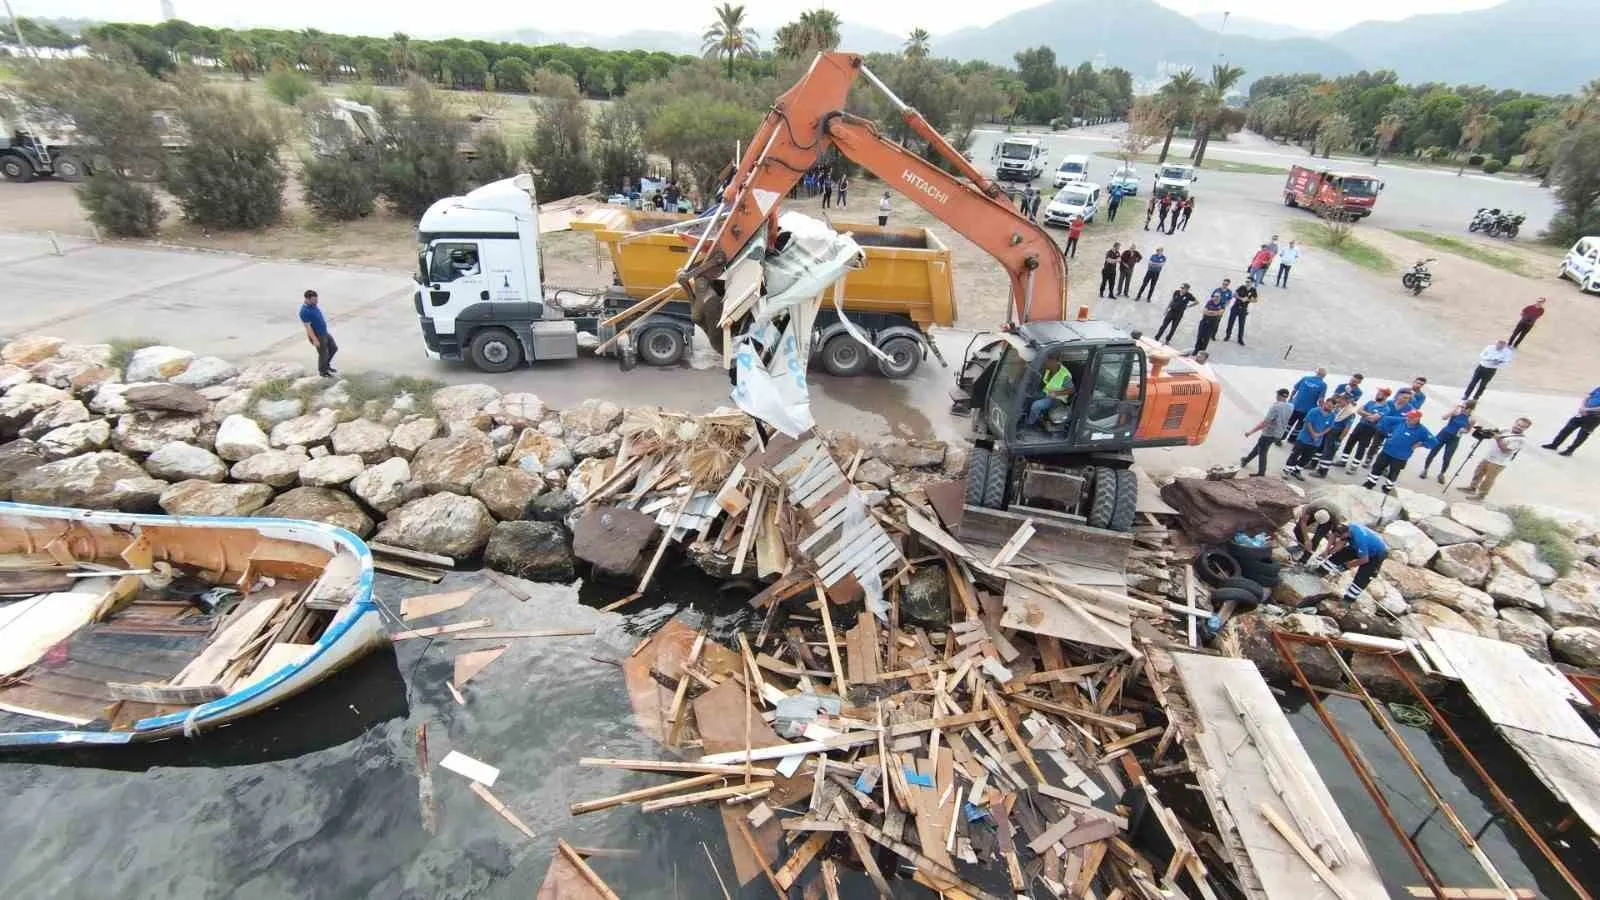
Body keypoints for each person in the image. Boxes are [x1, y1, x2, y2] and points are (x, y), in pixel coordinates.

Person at [1364, 408, 1437, 493]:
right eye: (1408, 416)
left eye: (1411, 417)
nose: (1408, 419)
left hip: (1401, 456)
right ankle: (1370, 483)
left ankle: (1387, 488)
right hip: (1387, 451)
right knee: (1377, 467)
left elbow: (1434, 442)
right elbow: (1386, 419)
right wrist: (1387, 432)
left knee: (1393, 473)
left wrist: (1421, 444)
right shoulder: (1401, 420)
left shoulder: (1422, 430)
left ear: (1417, 419)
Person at [1460, 417, 1531, 500]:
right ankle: (1472, 487)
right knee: (1478, 472)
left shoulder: (1520, 440)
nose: (1518, 427)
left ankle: (1481, 495)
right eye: (1518, 424)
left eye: (1522, 426)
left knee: (1488, 479)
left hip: (1499, 462)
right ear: (1515, 423)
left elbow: (1505, 450)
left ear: (1526, 428)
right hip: (1488, 457)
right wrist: (1486, 431)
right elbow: (1494, 431)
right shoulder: (1506, 430)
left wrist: (1498, 439)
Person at [1324, 522, 1390, 603]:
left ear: (1346, 533)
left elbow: (1364, 560)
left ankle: (1346, 603)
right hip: (1360, 547)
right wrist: (1327, 552)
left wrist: (1345, 566)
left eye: (1339, 536)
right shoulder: (1348, 528)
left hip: (1376, 554)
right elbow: (1341, 543)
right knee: (1337, 557)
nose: (1338, 538)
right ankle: (1319, 572)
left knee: (1361, 579)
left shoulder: (1360, 539)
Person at [1419, 399, 1475, 483]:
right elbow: (1444, 417)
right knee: (1433, 451)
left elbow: (1468, 430)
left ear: (1469, 409)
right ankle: (1425, 469)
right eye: (1462, 406)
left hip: (1455, 438)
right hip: (1444, 434)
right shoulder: (1456, 413)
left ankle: (1442, 473)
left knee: (1447, 457)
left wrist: (1464, 431)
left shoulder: (1471, 419)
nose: (1462, 408)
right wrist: (1454, 409)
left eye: (1464, 407)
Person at [1241, 387, 1293, 476]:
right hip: (1279, 433)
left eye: (1277, 394)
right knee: (1259, 446)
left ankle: (1261, 472)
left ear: (1279, 396)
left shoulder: (1275, 407)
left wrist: (1251, 432)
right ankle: (1246, 460)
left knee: (1262, 452)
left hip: (1269, 433)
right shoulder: (1290, 406)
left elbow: (1265, 422)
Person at [1339, 387, 1393, 471]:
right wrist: (1370, 415)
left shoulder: (1386, 408)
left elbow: (1374, 418)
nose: (1377, 394)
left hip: (1370, 428)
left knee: (1362, 446)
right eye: (1378, 393)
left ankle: (1354, 466)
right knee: (1350, 441)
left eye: (1380, 393)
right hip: (1361, 424)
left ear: (1386, 396)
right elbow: (1358, 410)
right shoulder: (1371, 402)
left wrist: (1365, 414)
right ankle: (1343, 460)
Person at [1283, 397, 1336, 480]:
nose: (1329, 408)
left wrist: (1319, 434)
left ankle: (1296, 471)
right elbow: (1308, 422)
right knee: (1295, 455)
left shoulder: (1332, 415)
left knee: (1306, 458)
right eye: (1328, 405)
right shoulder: (1314, 411)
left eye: (1332, 407)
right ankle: (1287, 471)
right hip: (1303, 438)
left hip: (1316, 442)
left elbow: (1329, 427)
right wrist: (1313, 434)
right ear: (1325, 403)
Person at [1542, 386, 1600, 456]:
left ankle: (1570, 451)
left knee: (1582, 435)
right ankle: (1554, 445)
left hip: (1594, 417)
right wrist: (1582, 407)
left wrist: (1586, 410)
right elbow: (1588, 397)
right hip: (1582, 412)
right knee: (1567, 429)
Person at [1313, 394, 1359, 478]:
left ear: (1346, 401)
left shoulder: (1350, 413)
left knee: (1328, 453)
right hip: (1328, 431)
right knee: (1320, 448)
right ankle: (1313, 464)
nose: (1338, 401)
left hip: (1336, 434)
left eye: (1341, 400)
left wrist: (1339, 439)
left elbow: (1347, 428)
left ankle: (1322, 471)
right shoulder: (1339, 408)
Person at [1025, 355, 1075, 426]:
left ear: (1054, 361)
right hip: (1047, 393)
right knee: (1029, 395)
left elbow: (1072, 390)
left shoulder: (1064, 375)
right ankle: (1031, 415)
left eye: (1046, 361)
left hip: (1057, 399)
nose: (1044, 363)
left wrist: (1056, 393)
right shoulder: (1049, 369)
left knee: (1036, 405)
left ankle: (1030, 423)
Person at [298, 289, 338, 378]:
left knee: (334, 348)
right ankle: (323, 372)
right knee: (324, 353)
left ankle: (326, 366)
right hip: (318, 336)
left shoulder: (314, 305)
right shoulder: (304, 311)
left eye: (316, 299)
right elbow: (308, 327)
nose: (316, 301)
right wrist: (315, 339)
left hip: (324, 332)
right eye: (314, 300)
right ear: (307, 299)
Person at [1284, 367, 1329, 442]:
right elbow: (1320, 399)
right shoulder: (1323, 385)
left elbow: (1295, 389)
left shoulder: (1305, 378)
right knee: (1299, 426)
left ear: (1316, 373)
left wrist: (1290, 399)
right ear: (1324, 376)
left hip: (1296, 405)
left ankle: (1281, 437)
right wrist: (1322, 409)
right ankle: (1292, 439)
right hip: (1308, 409)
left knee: (1289, 422)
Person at [1191, 280, 1230, 355]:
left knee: (1206, 338)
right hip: (1204, 321)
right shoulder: (1210, 302)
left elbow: (1220, 312)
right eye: (1214, 296)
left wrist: (1211, 312)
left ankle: (1202, 351)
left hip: (1212, 323)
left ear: (1220, 297)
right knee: (1200, 336)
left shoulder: (1222, 304)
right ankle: (1196, 349)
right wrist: (1213, 313)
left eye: (1217, 297)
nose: (1215, 298)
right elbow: (1204, 311)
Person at [1223, 279, 1256, 344]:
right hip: (1236, 307)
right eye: (1246, 281)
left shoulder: (1253, 290)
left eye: (1248, 282)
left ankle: (1240, 339)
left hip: (1243, 309)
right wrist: (1241, 298)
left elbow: (1255, 300)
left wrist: (1248, 299)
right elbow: (1234, 295)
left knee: (1241, 325)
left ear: (1252, 283)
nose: (1247, 283)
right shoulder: (1241, 287)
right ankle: (1227, 336)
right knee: (1230, 322)